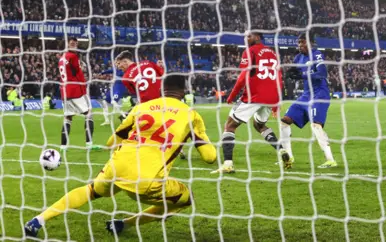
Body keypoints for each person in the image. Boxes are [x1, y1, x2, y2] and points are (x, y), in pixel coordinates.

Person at [23, 75, 217, 238]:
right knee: (187, 198)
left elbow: (111, 143)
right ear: (184, 92)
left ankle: (38, 220)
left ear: (161, 89)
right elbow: (210, 157)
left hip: (116, 167)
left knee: (90, 190)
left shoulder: (142, 107)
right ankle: (124, 224)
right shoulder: (191, 115)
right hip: (148, 181)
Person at [213, 31, 290, 174]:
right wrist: (276, 103)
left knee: (229, 126)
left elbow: (243, 77)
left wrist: (232, 95)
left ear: (258, 37)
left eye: (249, 36)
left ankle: (228, 164)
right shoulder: (273, 54)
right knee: (258, 124)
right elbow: (279, 79)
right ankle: (281, 150)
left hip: (254, 96)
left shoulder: (251, 51)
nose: (246, 39)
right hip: (271, 97)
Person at [280, 33, 336, 168]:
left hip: (319, 94)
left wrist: (302, 75)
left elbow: (322, 73)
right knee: (284, 122)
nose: (300, 45)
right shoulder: (298, 57)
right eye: (298, 42)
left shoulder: (317, 54)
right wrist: (290, 74)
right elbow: (296, 73)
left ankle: (330, 160)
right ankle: (289, 157)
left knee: (316, 125)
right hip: (306, 95)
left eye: (302, 42)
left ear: (311, 43)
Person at [57, 37, 97, 151]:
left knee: (68, 117)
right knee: (89, 113)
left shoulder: (61, 58)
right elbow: (76, 72)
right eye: (72, 44)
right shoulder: (73, 57)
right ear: (67, 44)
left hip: (64, 91)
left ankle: (63, 146)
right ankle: (89, 144)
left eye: (76, 44)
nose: (74, 45)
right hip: (75, 89)